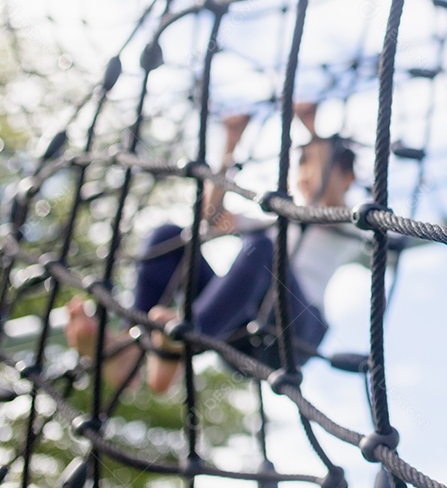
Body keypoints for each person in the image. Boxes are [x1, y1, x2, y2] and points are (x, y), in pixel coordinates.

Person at [66, 107, 367, 394]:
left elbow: (326, 196)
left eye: (315, 163)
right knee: (168, 237)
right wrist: (230, 145)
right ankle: (134, 344)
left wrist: (311, 127)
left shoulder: (348, 222)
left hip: (294, 335)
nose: (306, 172)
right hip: (241, 331)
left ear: (347, 178)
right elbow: (212, 217)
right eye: (302, 163)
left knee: (261, 249)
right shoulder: (275, 222)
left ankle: (184, 337)